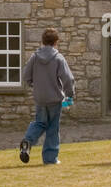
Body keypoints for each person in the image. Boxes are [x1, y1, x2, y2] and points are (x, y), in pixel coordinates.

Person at [19, 28, 75, 165]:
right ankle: (50, 158)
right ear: (56, 42)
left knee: (40, 122)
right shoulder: (58, 58)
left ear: (43, 42)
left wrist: (35, 85)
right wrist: (69, 95)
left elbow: (26, 75)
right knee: (52, 128)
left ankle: (28, 141)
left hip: (40, 98)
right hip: (55, 98)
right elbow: (68, 79)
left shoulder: (34, 57)